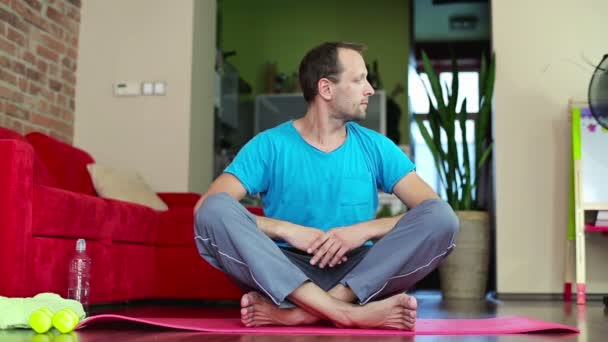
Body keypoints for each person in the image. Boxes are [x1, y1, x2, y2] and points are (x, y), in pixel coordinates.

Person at [193, 42, 459, 330]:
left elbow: (431, 210)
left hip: (358, 272)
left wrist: (362, 231)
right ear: (326, 89)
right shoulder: (269, 145)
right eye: (359, 80)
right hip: (283, 269)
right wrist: (287, 230)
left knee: (443, 217)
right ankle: (347, 313)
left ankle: (305, 313)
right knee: (214, 209)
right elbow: (207, 208)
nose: (369, 89)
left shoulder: (376, 146)